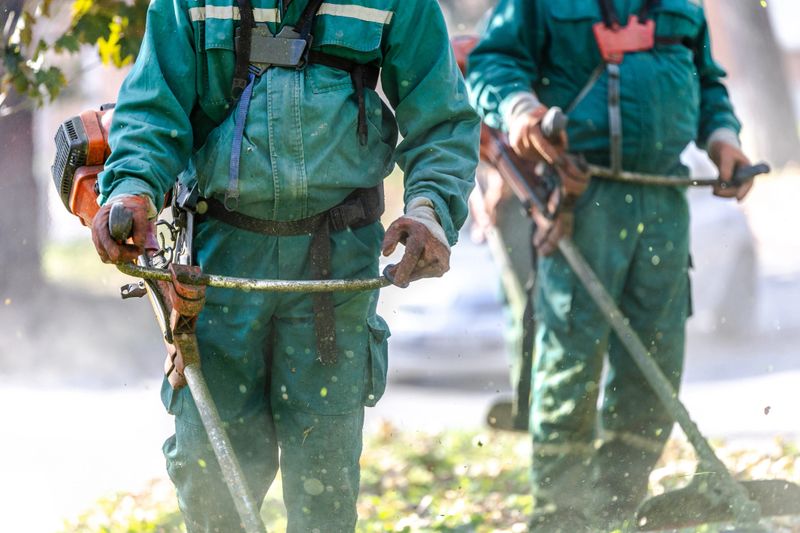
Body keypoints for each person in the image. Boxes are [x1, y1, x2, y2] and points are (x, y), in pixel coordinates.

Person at [89, 0, 480, 531]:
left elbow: (442, 118)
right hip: (219, 263)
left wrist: (430, 210)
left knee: (325, 481)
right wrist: (133, 187)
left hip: (337, 264)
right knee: (213, 480)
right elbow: (152, 111)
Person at [466, 0, 753, 530]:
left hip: (663, 203)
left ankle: (616, 510)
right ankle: (562, 515)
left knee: (656, 361)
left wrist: (724, 139)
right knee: (569, 365)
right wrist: (521, 109)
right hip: (582, 196)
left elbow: (707, 82)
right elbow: (492, 64)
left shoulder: (682, 5)